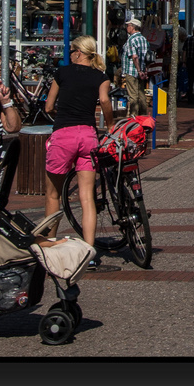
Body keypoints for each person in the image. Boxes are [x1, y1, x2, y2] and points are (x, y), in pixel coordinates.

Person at [42, 36, 113, 252]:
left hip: (64, 134)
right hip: (88, 135)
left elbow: (48, 106)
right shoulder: (101, 76)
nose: (70, 54)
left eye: (72, 50)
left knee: (53, 193)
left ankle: (51, 242)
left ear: (79, 53)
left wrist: (59, 111)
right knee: (87, 197)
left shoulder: (62, 73)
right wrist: (110, 125)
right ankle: (89, 250)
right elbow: (104, 101)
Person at [120, 16, 151, 116]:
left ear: (132, 27)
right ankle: (143, 115)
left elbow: (134, 57)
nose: (127, 27)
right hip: (141, 70)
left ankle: (134, 116)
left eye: (128, 25)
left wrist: (138, 70)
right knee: (141, 94)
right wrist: (144, 70)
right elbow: (148, 57)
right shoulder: (144, 39)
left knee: (133, 95)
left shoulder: (131, 40)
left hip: (132, 71)